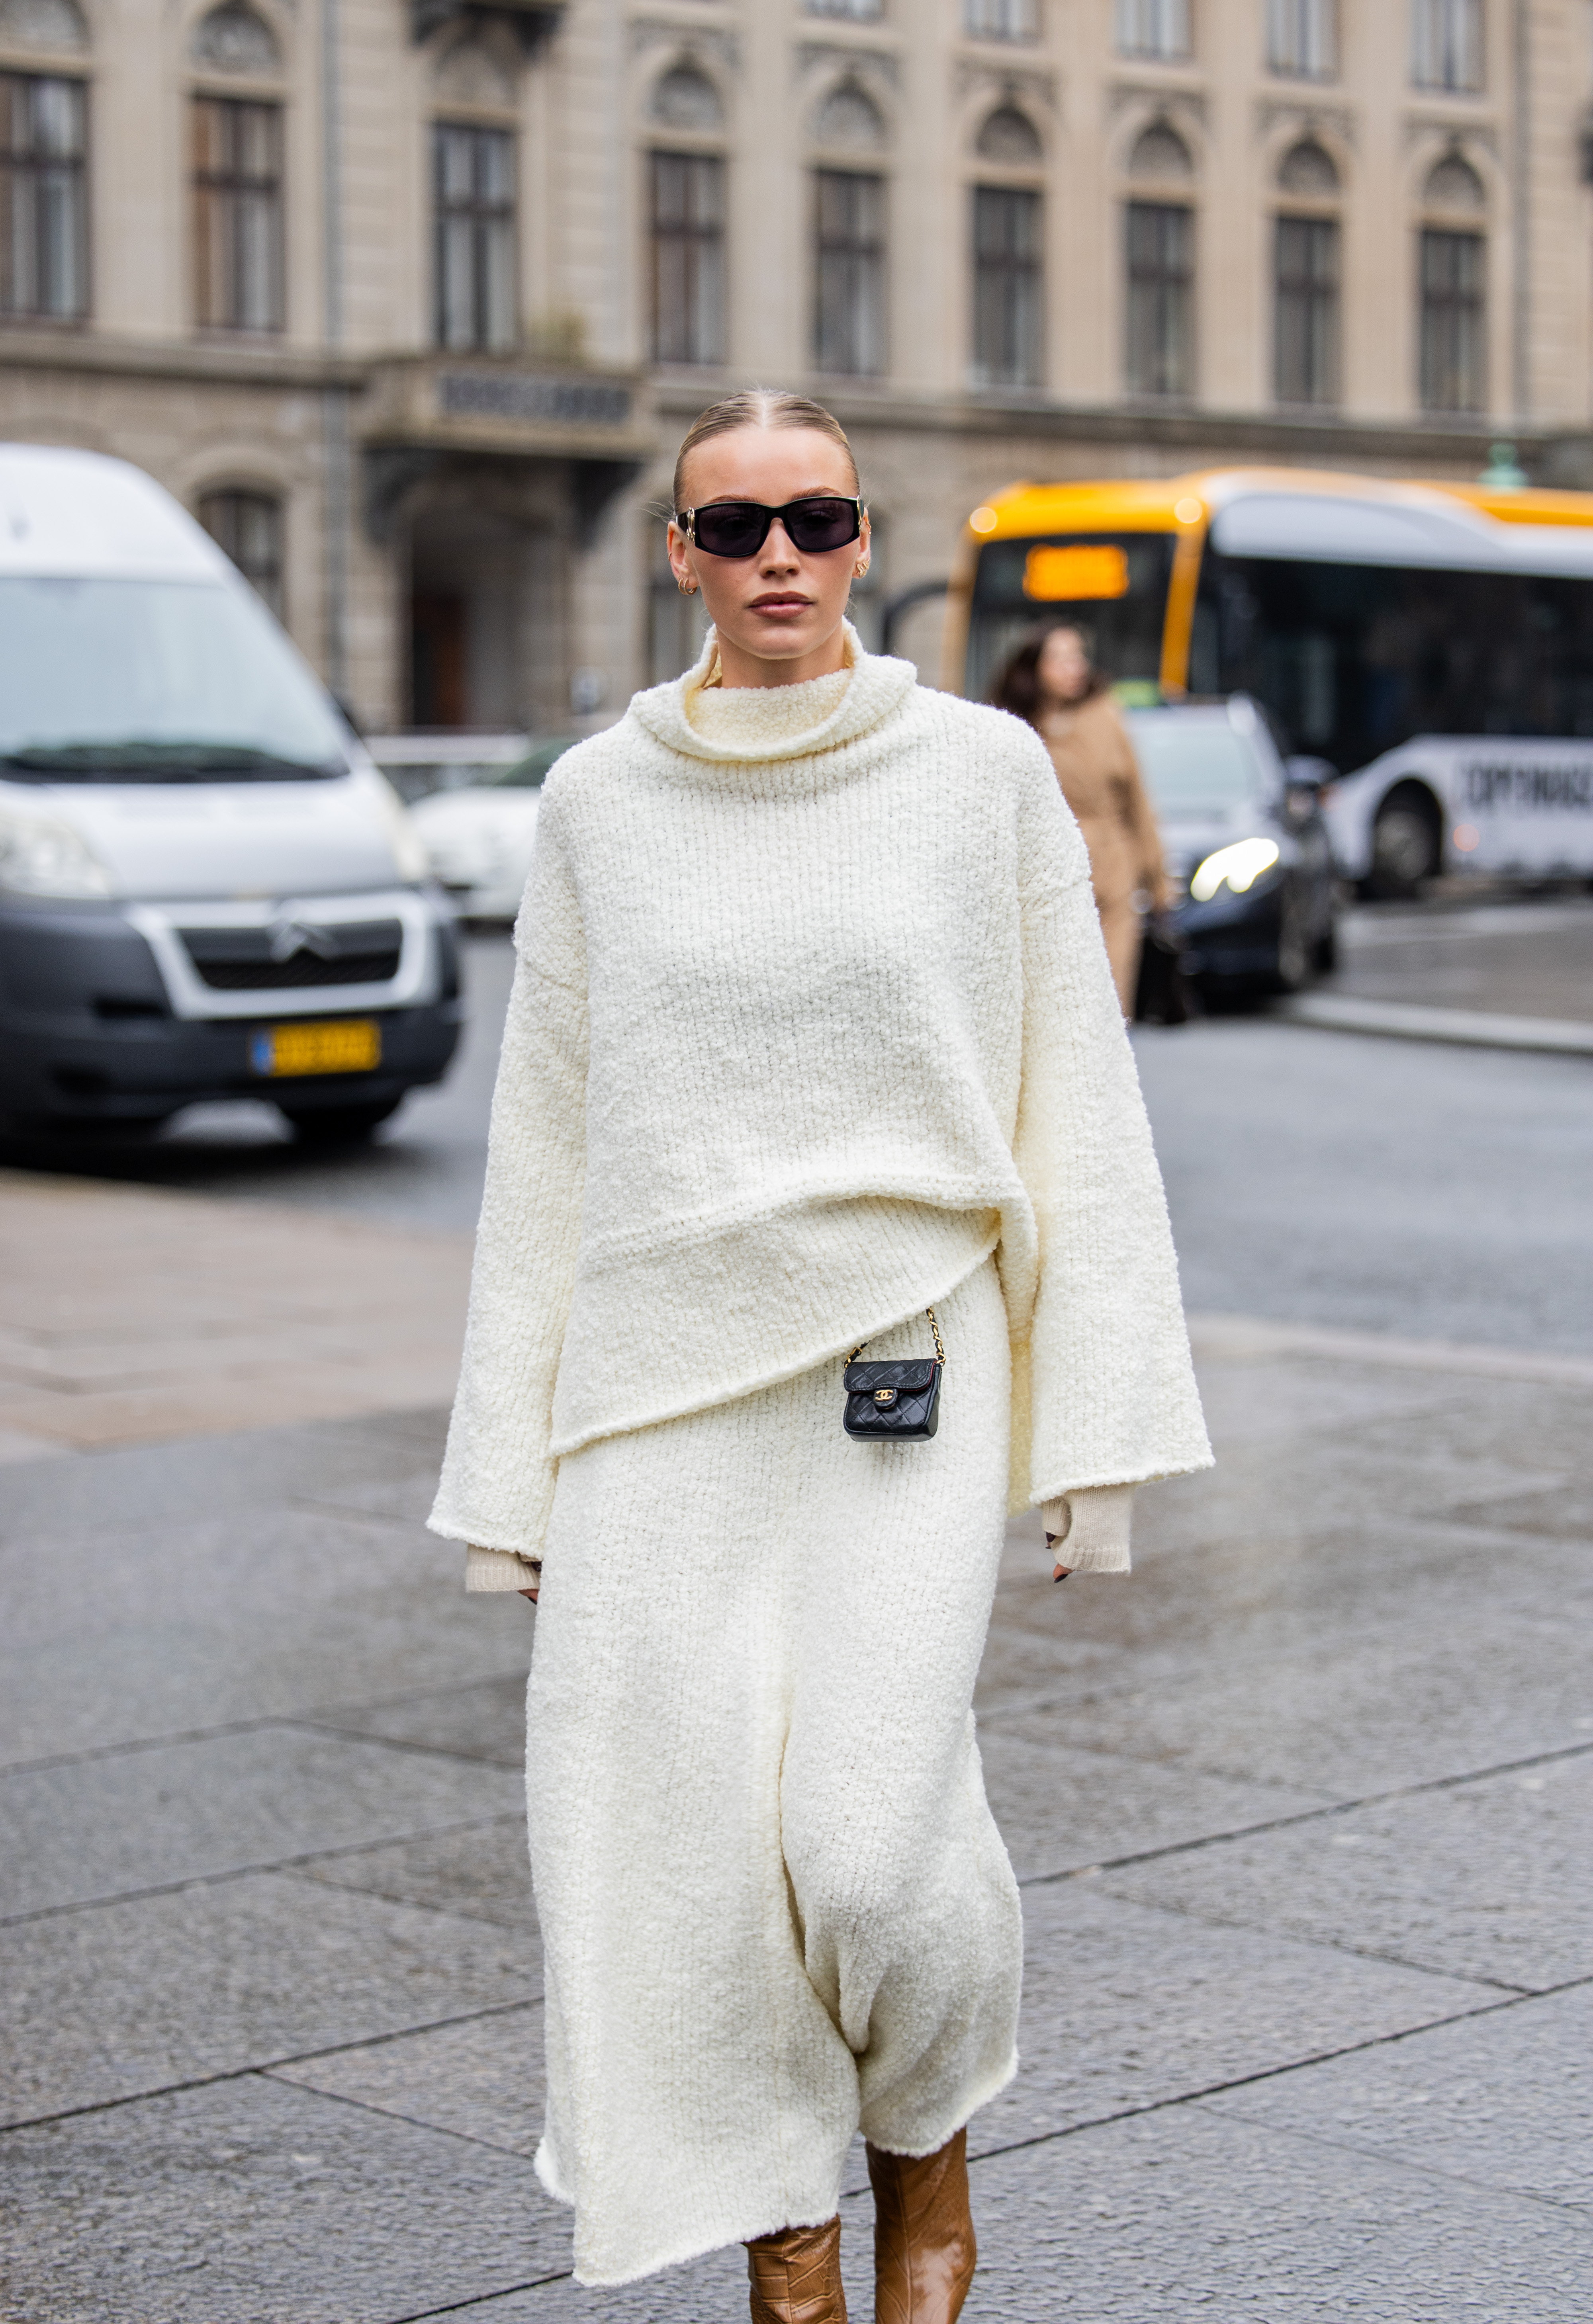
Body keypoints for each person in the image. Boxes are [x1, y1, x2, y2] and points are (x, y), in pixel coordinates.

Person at [429, 391, 1211, 2322]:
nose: (778, 552)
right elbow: (545, 1136)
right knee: (685, 1855)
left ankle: (921, 2149)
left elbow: (1069, 1106)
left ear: (862, 541)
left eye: (818, 514)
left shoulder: (977, 773)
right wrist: (505, 1474)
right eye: (735, 522)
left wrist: (1087, 1444)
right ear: (678, 554)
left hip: (901, 1370)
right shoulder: (596, 800)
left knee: (870, 1845)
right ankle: (793, 2251)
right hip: (657, 1388)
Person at [992, 623, 1169, 1013]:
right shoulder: (1011, 725)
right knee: (1054, 1001)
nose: (1074, 667)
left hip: (1111, 869)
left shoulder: (1106, 714)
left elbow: (1137, 800)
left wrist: (1157, 881)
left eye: (1078, 657)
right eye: (1060, 658)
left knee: (1110, 994)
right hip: (1042, 874)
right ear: (1033, 667)